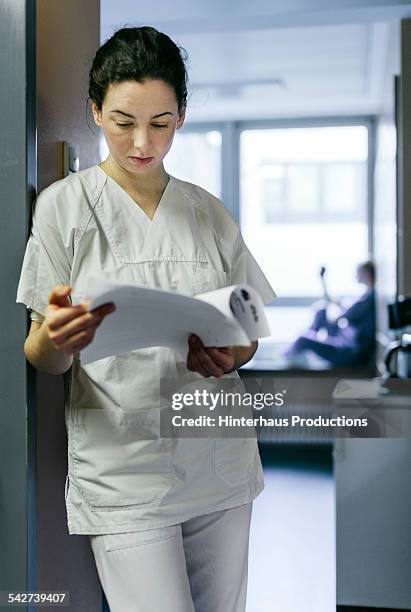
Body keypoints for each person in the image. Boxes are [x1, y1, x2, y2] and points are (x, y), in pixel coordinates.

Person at [15, 26, 276, 612]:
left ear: (181, 115)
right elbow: (43, 354)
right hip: (124, 468)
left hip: (218, 457)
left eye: (160, 123)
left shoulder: (207, 211)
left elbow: (247, 335)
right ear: (94, 111)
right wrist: (60, 338)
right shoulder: (66, 206)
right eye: (122, 121)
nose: (141, 141)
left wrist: (231, 353)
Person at [284, 260, 376, 368]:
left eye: (358, 272)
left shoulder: (367, 300)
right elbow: (333, 303)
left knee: (303, 339)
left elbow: (336, 318)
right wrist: (323, 280)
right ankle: (300, 350)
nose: (356, 276)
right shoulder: (366, 296)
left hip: (350, 353)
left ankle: (292, 353)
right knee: (321, 311)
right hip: (347, 341)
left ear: (366, 274)